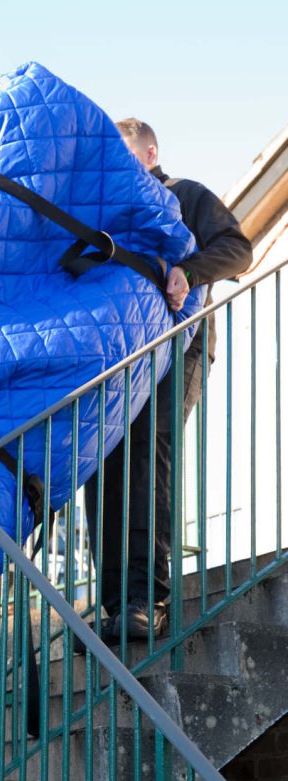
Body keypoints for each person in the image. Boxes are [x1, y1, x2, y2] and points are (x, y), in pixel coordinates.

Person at [84, 119, 253, 640]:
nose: (122, 166)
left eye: (130, 155)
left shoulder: (187, 196)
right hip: (118, 352)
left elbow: (239, 250)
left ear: (151, 153)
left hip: (178, 346)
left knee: (144, 454)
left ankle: (147, 599)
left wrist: (191, 270)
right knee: (101, 462)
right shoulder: (107, 210)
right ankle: (114, 603)